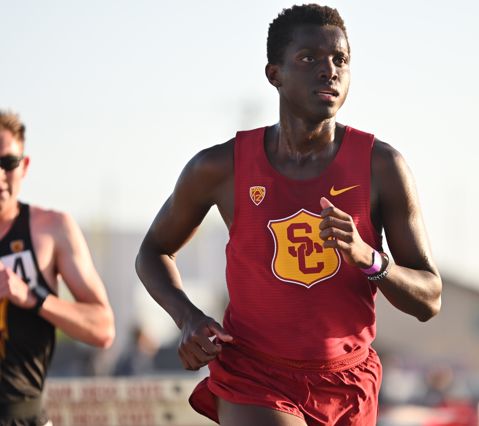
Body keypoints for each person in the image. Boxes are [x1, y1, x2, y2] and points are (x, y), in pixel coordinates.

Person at [136, 4, 442, 425]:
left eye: (340, 60)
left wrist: (369, 258)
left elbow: (429, 298)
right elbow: (153, 251)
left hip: (348, 382)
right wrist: (187, 318)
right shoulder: (220, 167)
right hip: (253, 374)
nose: (329, 71)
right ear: (274, 74)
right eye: (309, 58)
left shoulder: (382, 166)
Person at [0, 110, 115, 426]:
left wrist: (34, 297)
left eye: (7, 163)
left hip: (25, 417)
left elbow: (103, 328)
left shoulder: (51, 229)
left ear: (24, 166)